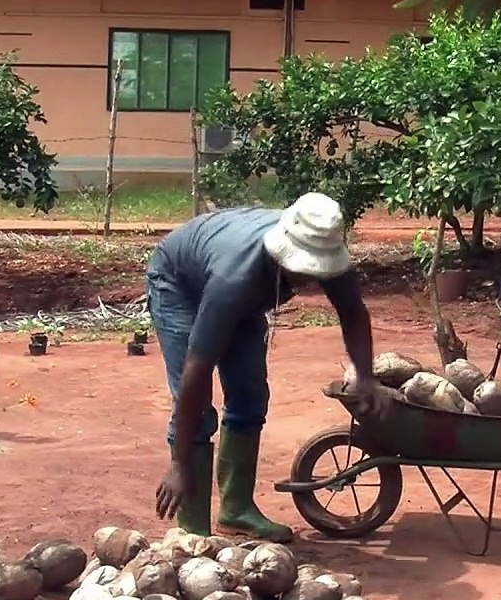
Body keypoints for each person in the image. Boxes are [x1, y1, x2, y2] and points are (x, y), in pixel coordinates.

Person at [145, 192, 387, 542]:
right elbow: (195, 372)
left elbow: (353, 312)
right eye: (302, 267)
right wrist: (179, 466)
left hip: (235, 290)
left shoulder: (321, 237)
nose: (308, 277)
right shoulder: (236, 278)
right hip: (179, 284)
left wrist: (365, 376)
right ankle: (194, 533)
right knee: (198, 410)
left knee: (249, 394)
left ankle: (236, 510)